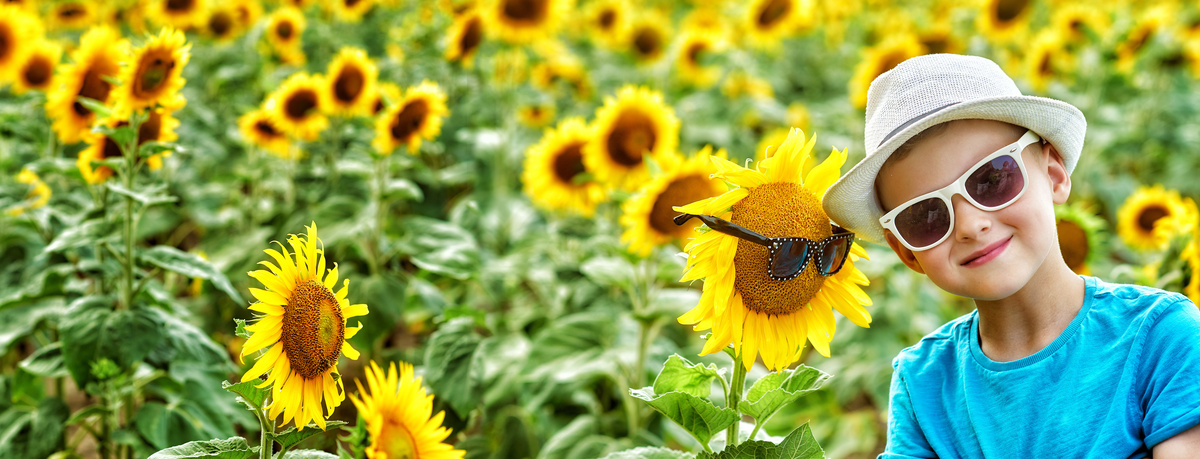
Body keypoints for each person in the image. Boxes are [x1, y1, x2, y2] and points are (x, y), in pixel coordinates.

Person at [821, 53, 1200, 458]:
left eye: (992, 179)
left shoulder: (1162, 338)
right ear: (907, 252)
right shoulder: (923, 384)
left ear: (1054, 174)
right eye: (926, 215)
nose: (970, 224)